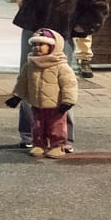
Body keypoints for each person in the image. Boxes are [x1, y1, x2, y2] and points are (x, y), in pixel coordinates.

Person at [0, 0, 105, 150]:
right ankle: (29, 134)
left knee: (62, 82)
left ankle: (64, 138)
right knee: (30, 77)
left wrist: (79, 28)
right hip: (33, 32)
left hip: (61, 35)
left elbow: (99, 5)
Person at [7, 29, 78, 159]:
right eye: (34, 45)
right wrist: (17, 96)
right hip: (36, 104)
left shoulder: (61, 66)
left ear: (52, 46)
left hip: (56, 105)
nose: (36, 48)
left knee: (56, 127)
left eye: (41, 45)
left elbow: (69, 85)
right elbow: (22, 82)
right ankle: (39, 144)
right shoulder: (30, 65)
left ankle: (58, 146)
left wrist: (68, 101)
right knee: (37, 126)